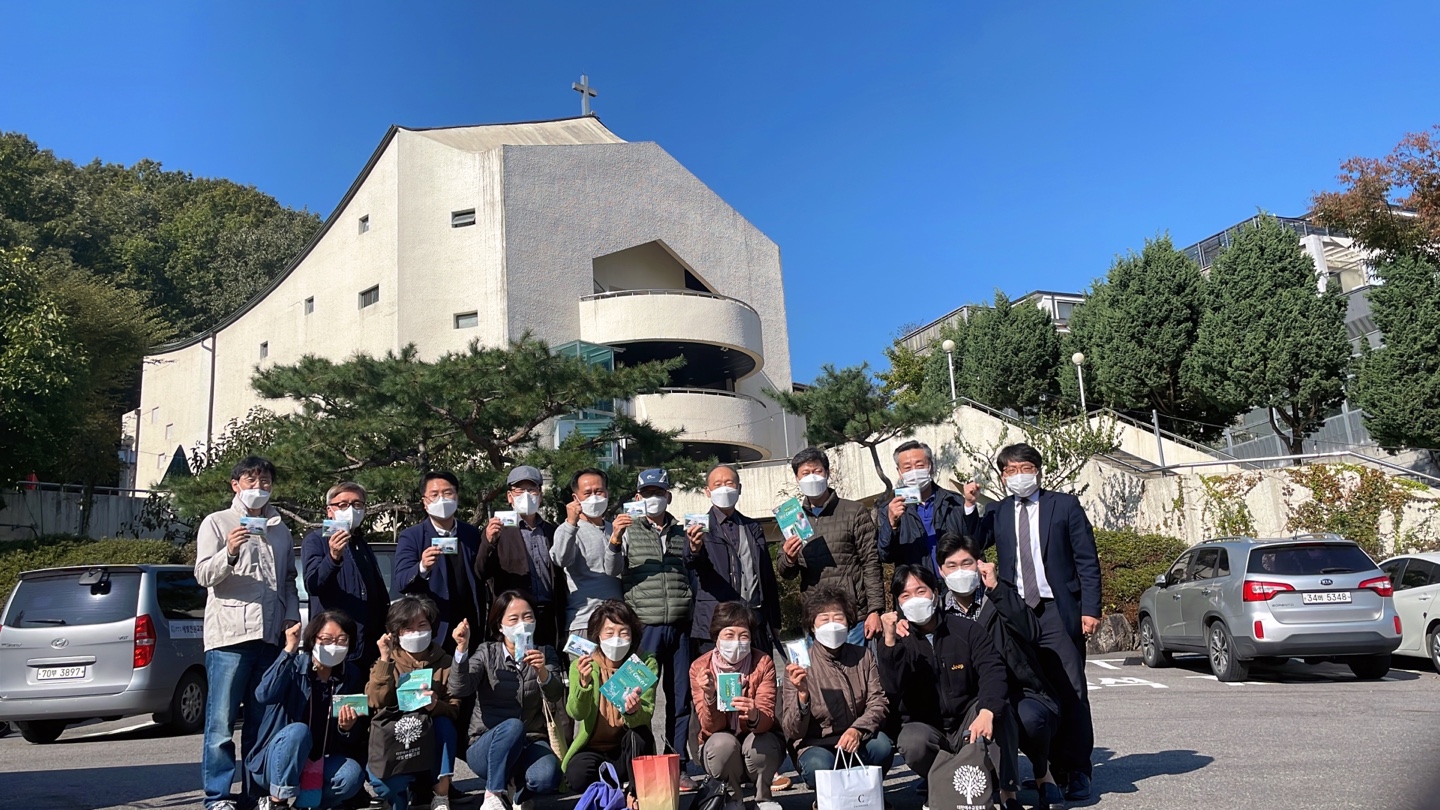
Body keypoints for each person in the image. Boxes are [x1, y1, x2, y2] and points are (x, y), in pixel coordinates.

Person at [962, 442, 1101, 801]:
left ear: (1037, 471)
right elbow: (973, 543)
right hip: (1015, 611)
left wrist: (1090, 609)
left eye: (1025, 468)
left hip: (1057, 610)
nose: (1018, 475)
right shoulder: (997, 510)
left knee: (1071, 688)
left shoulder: (1064, 505)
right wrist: (970, 505)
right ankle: (1047, 770)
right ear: (1002, 477)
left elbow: (1087, 559)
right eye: (1010, 470)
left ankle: (1077, 769)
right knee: (1029, 689)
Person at [194, 456, 301, 810]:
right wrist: (230, 551)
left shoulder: (280, 528)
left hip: (269, 637)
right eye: (251, 481)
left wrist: (290, 616)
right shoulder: (217, 522)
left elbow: (288, 579)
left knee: (261, 722)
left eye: (265, 481)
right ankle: (217, 796)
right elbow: (203, 575)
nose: (259, 487)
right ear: (235, 484)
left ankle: (254, 795)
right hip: (229, 637)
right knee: (221, 724)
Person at [936, 533, 1063, 810]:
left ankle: (1042, 773)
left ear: (980, 563)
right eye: (951, 566)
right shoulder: (937, 611)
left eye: (967, 563)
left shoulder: (999, 594)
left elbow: (1032, 631)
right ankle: (990, 786)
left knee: (1029, 719)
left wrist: (996, 588)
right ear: (941, 571)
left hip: (1019, 688)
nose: (960, 571)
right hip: (967, 697)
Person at [880, 565, 1007, 807]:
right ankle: (942, 781)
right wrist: (889, 642)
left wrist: (987, 711)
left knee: (999, 712)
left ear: (936, 593)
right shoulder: (897, 640)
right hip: (928, 726)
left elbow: (993, 670)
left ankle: (1001, 786)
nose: (915, 600)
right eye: (905, 596)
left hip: (967, 719)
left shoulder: (966, 629)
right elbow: (891, 688)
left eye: (921, 591)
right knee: (912, 741)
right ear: (898, 603)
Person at [614, 468, 697, 789]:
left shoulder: (682, 532)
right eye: (647, 493)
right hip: (643, 628)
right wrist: (615, 538)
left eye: (658, 492)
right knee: (637, 696)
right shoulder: (628, 530)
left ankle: (678, 764)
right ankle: (639, 764)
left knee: (680, 699)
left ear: (668, 496)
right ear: (637, 497)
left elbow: (693, 572)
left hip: (679, 626)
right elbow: (611, 568)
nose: (653, 498)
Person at [449, 590, 564, 810]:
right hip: (486, 743)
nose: (522, 624)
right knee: (513, 726)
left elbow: (555, 694)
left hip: (530, 740)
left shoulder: (544, 652)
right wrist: (461, 649)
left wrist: (543, 672)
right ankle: (493, 793)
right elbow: (459, 688)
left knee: (547, 777)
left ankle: (518, 793)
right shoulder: (487, 652)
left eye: (528, 617)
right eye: (514, 619)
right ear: (500, 626)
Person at [246, 610, 366, 810]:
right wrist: (289, 650)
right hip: (277, 762)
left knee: (351, 775)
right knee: (298, 731)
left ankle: (305, 806)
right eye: (326, 639)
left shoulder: (351, 675)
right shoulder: (294, 665)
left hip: (319, 762)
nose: (334, 646)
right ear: (313, 639)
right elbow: (264, 694)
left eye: (341, 640)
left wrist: (346, 729)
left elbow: (353, 737)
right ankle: (277, 803)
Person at [779, 587, 893, 792]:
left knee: (882, 747)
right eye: (824, 619)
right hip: (816, 743)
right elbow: (792, 730)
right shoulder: (798, 663)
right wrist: (802, 696)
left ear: (848, 623)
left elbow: (878, 702)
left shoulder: (863, 656)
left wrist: (858, 730)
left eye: (838, 618)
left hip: (857, 736)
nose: (832, 625)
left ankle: (866, 795)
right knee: (818, 766)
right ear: (812, 626)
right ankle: (827, 799)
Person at [775, 447, 885, 646]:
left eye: (817, 471)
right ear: (797, 479)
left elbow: (871, 562)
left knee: (857, 665)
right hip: (815, 616)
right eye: (805, 473)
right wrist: (789, 558)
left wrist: (875, 610)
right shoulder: (792, 518)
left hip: (853, 615)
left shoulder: (854, 511)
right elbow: (786, 572)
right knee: (820, 667)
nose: (812, 477)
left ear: (827, 473)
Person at [365, 596, 462, 810]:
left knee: (445, 725)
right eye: (408, 628)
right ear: (396, 632)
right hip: (397, 739)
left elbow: (454, 707)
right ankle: (398, 800)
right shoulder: (387, 661)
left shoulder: (445, 662)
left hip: (430, 738)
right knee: (385, 785)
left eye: (422, 625)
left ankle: (441, 795)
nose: (416, 632)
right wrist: (384, 660)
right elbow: (375, 701)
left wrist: (436, 705)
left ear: (432, 627)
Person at [691, 601, 784, 810]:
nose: (737, 642)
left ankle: (764, 798)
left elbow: (767, 718)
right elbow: (709, 728)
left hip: (755, 738)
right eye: (729, 635)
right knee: (721, 744)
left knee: (763, 743)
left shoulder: (763, 662)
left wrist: (754, 713)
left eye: (743, 636)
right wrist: (710, 696)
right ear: (716, 636)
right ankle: (733, 799)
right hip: (720, 742)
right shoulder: (700, 667)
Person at [560, 600, 657, 789]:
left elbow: (647, 714)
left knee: (640, 735)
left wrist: (633, 711)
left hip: (626, 749)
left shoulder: (644, 663)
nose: (616, 639)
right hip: (594, 749)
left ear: (633, 635)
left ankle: (635, 790)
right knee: (577, 775)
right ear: (598, 635)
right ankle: (610, 786)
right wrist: (583, 684)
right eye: (609, 633)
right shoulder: (583, 664)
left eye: (624, 633)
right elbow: (576, 713)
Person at [687, 464, 782, 656]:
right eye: (718, 484)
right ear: (707, 491)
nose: (724, 488)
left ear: (739, 488)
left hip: (754, 620)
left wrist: (775, 620)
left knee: (759, 672)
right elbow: (693, 566)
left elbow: (766, 576)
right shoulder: (698, 527)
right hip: (717, 621)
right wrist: (695, 550)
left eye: (729, 483)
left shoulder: (753, 527)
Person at [394, 471, 486, 653]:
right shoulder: (412, 536)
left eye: (447, 493)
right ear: (425, 502)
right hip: (434, 628)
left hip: (469, 627)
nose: (442, 500)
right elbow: (401, 582)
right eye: (434, 495)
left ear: (457, 497)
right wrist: (422, 567)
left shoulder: (471, 533)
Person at [302, 482, 390, 671]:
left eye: (357, 504)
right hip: (335, 641)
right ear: (330, 510)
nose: (351, 510)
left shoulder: (361, 543)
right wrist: (333, 557)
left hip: (368, 643)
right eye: (343, 505)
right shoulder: (316, 540)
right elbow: (313, 585)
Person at [481, 465, 566, 649]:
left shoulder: (552, 531)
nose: (526, 495)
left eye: (531, 489)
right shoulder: (498, 531)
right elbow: (481, 571)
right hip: (514, 616)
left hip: (548, 615)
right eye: (519, 490)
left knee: (547, 661)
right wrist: (489, 543)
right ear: (510, 497)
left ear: (540, 495)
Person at [876, 440, 979, 578]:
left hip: (955, 581)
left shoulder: (954, 501)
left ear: (930, 466)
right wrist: (892, 525)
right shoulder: (889, 509)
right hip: (917, 585)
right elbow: (885, 556)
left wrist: (970, 505)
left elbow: (974, 542)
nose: (914, 472)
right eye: (907, 468)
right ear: (899, 472)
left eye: (919, 466)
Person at [551, 468, 624, 642]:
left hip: (617, 622)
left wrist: (616, 539)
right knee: (583, 662)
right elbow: (561, 559)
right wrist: (571, 523)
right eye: (587, 493)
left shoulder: (614, 528)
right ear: (576, 498)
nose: (594, 497)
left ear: (607, 493)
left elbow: (614, 570)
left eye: (599, 491)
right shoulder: (566, 529)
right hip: (583, 622)